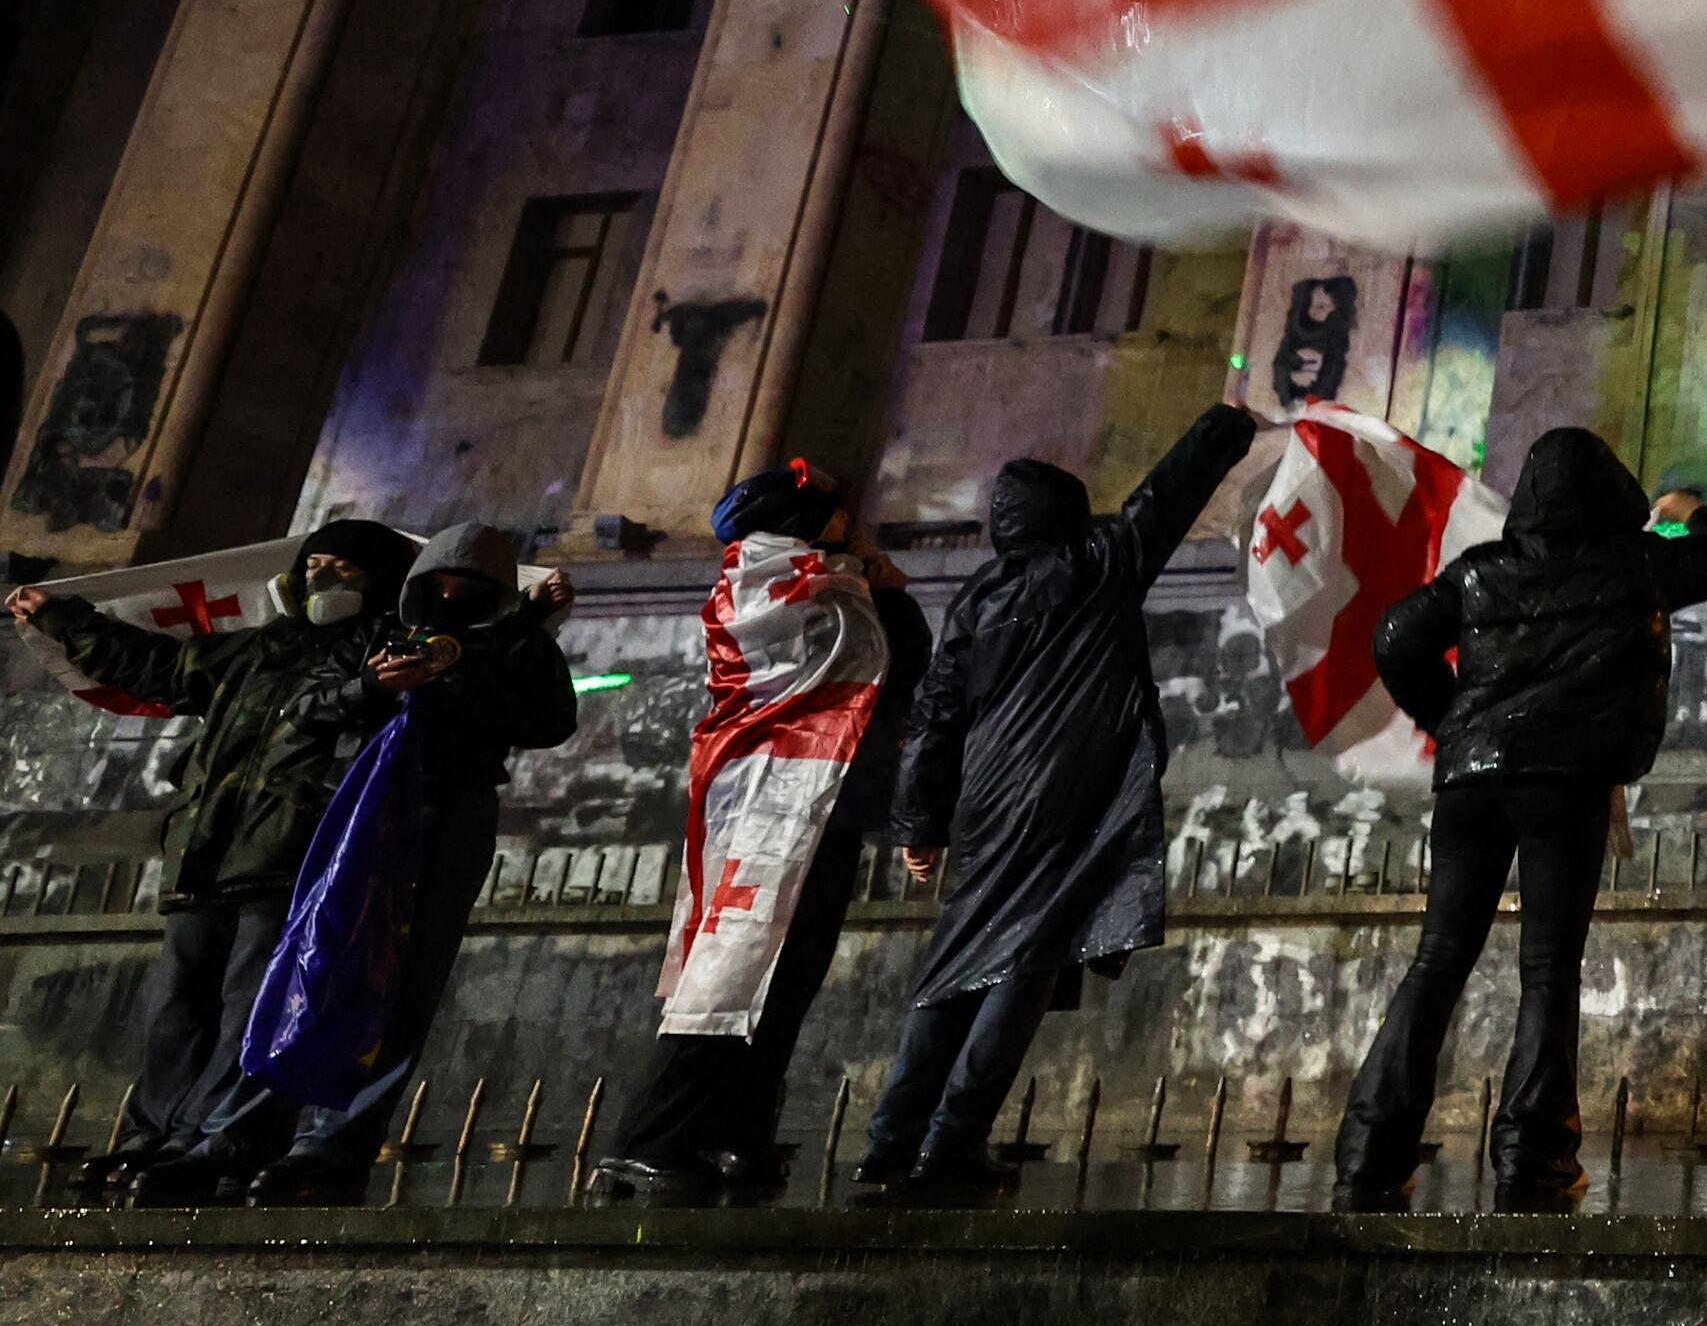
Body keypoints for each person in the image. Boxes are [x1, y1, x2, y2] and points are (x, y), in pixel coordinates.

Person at [1330, 426, 1707, 1214]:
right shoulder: (1636, 566)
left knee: (1437, 960)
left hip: (1473, 785)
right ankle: (1534, 1158)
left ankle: (1368, 1154)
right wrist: (1692, 508)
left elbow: (1394, 636)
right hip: (1565, 783)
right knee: (1548, 967)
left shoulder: (1482, 574)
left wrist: (1458, 724)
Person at [868, 403, 1264, 1204]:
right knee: (1024, 964)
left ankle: (887, 1147)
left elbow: (935, 716)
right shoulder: (1104, 559)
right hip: (1063, 799)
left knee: (956, 965)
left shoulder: (976, 599)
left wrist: (920, 822)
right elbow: (1169, 491)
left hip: (986, 802)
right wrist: (1226, 426)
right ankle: (951, 1143)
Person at [12, 518, 424, 1202]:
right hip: (205, 853)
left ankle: (208, 1142)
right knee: (176, 1006)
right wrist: (62, 617)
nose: (322, 575)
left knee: (246, 1007)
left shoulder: (378, 657)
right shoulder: (254, 650)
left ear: (378, 582)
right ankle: (151, 1137)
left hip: (288, 856)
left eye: (343, 567)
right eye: (315, 561)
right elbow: (152, 664)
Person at [591, 461, 931, 1205]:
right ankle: (645, 1141)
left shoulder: (776, 581)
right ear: (803, 522)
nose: (850, 523)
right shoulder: (812, 589)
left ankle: (732, 1131)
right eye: (835, 514)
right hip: (780, 807)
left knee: (786, 980)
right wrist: (893, 591)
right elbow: (893, 665)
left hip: (808, 805)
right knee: (730, 977)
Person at [247, 526, 583, 1204]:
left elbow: (550, 720)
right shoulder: (377, 634)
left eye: (469, 588)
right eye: (439, 585)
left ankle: (334, 1143)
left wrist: (460, 679)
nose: (451, 597)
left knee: (406, 979)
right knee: (316, 960)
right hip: (362, 807)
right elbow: (306, 705)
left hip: (449, 810)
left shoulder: (514, 643)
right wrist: (375, 687)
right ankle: (257, 1126)